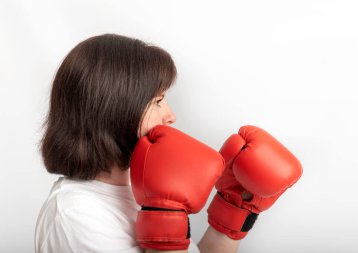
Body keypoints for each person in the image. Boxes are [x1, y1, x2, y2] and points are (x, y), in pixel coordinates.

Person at [35, 33, 303, 253]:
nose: (170, 115)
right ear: (116, 110)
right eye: (158, 102)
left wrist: (233, 208)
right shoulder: (77, 216)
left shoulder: (138, 189)